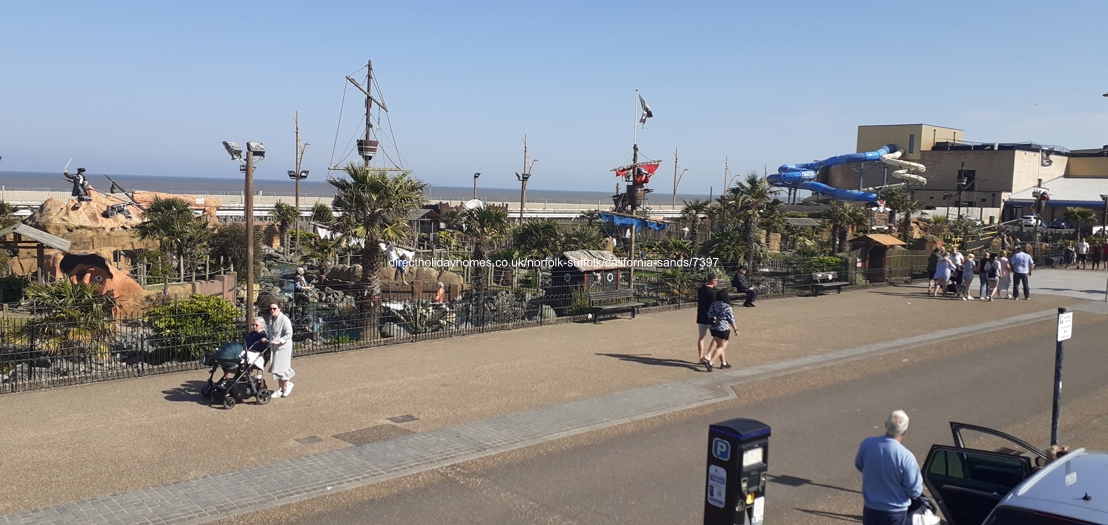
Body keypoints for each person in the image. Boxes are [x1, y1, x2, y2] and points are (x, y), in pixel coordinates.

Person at [855, 410, 923, 525]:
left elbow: (859, 465)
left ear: (886, 425)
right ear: (905, 432)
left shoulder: (867, 444)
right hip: (895, 512)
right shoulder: (906, 456)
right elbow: (915, 490)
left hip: (870, 508)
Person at [702, 289, 737, 371]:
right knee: (722, 347)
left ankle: (723, 363)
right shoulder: (727, 307)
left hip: (713, 327)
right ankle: (711, 362)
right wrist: (735, 329)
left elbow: (709, 313)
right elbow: (731, 319)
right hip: (723, 328)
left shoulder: (713, 304)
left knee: (719, 345)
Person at [265, 302, 296, 398]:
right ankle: (281, 388)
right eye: (270, 309)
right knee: (276, 367)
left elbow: (289, 334)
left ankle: (287, 385)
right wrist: (267, 339)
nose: (272, 311)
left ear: (279, 309)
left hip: (283, 347)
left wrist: (279, 341)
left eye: (274, 308)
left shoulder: (285, 319)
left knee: (282, 367)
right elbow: (270, 332)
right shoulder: (271, 319)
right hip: (274, 346)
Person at [695, 273, 719, 361]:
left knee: (701, 337)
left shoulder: (701, 289)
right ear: (713, 281)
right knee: (717, 337)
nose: (717, 282)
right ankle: (709, 355)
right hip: (711, 318)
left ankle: (700, 357)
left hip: (701, 316)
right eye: (716, 281)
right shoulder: (713, 292)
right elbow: (715, 304)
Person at [244, 317, 270, 382]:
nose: (254, 327)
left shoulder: (263, 335)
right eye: (253, 325)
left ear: (262, 325)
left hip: (256, 354)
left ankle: (252, 377)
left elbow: (260, 347)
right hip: (248, 351)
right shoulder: (251, 334)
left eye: (256, 325)